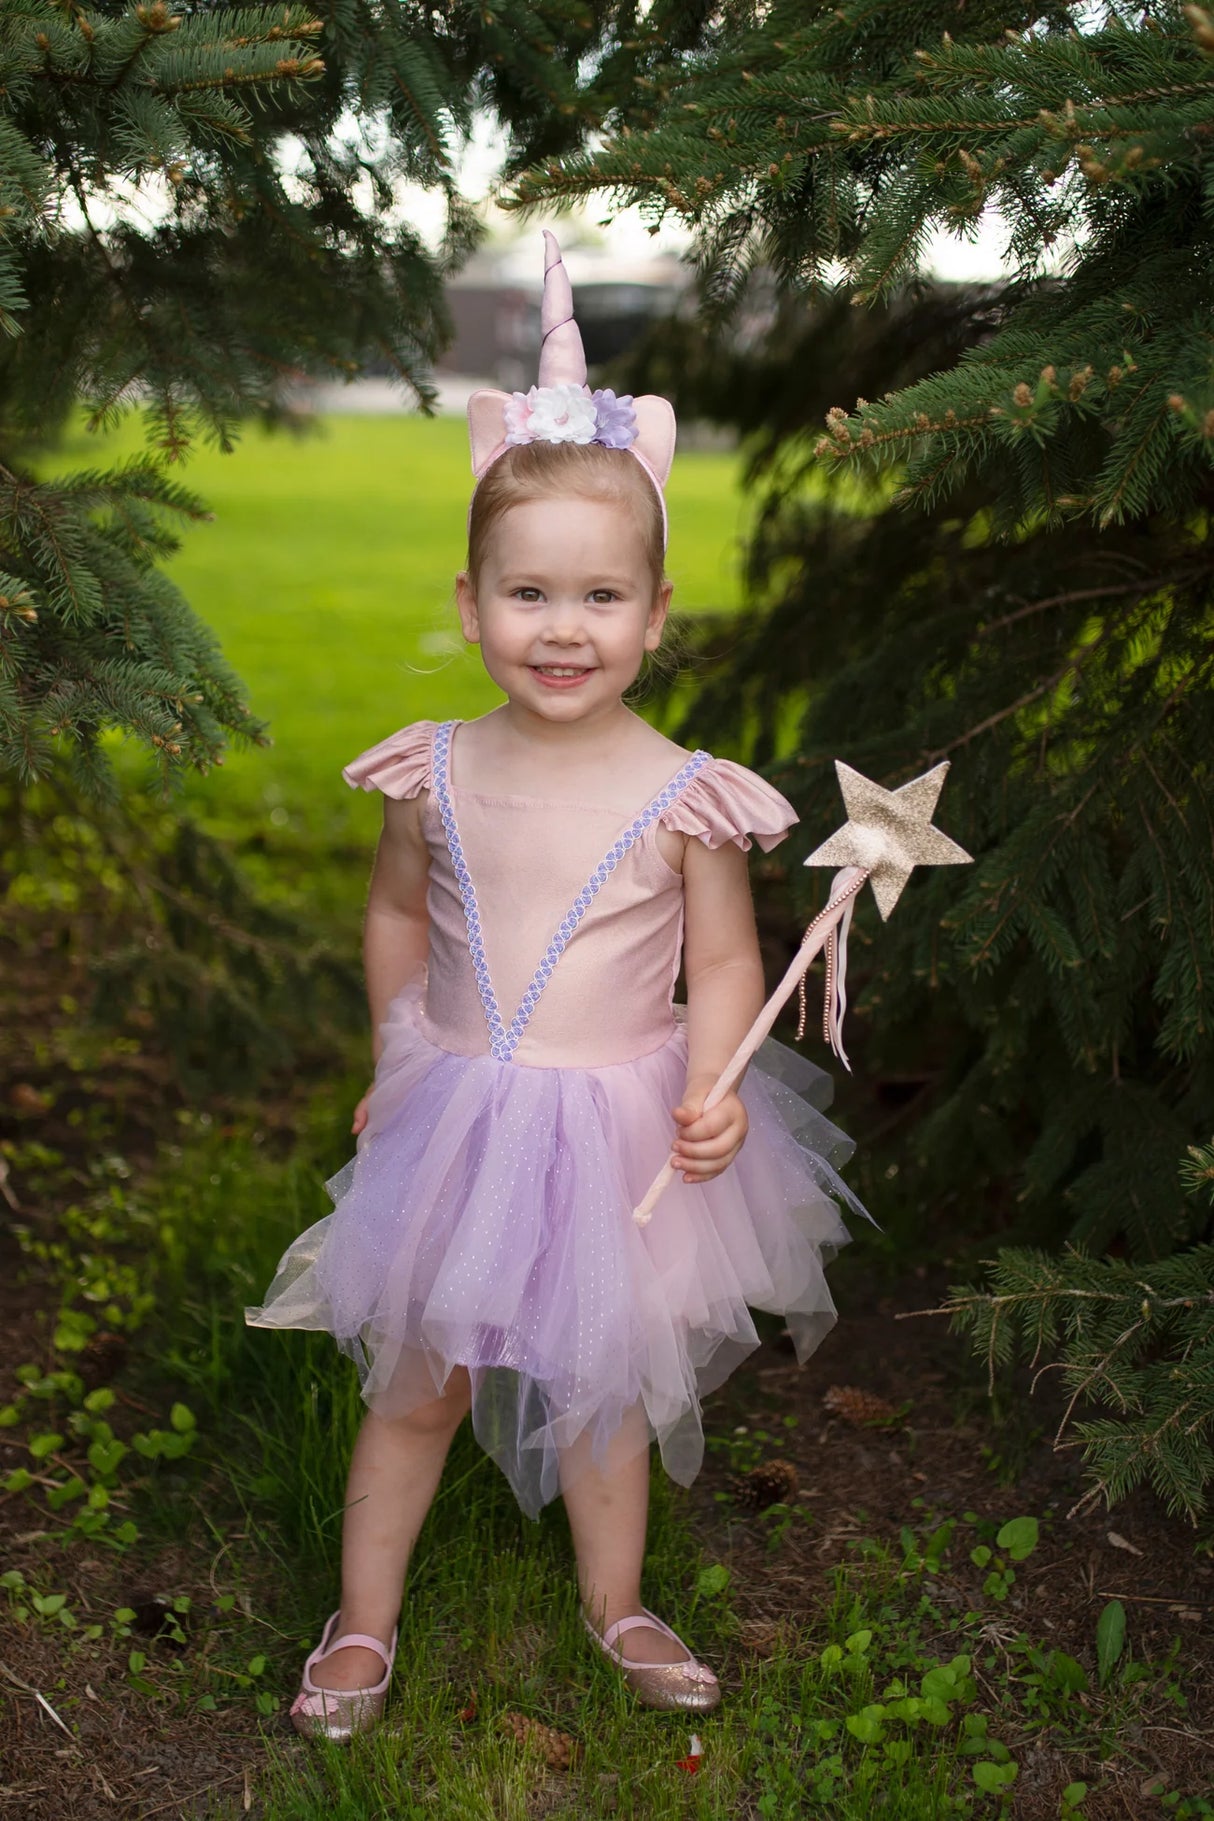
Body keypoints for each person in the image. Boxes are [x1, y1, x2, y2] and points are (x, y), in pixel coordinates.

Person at [246, 231, 869, 1741]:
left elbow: (723, 956)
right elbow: (398, 914)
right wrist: (397, 1045)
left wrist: (713, 1085)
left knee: (603, 1377)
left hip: (618, 1117)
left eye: (601, 597)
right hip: (460, 1107)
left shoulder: (687, 796)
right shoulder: (434, 771)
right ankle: (363, 1614)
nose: (564, 627)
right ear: (470, 604)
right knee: (420, 1379)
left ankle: (617, 1596)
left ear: (655, 615)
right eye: (529, 595)